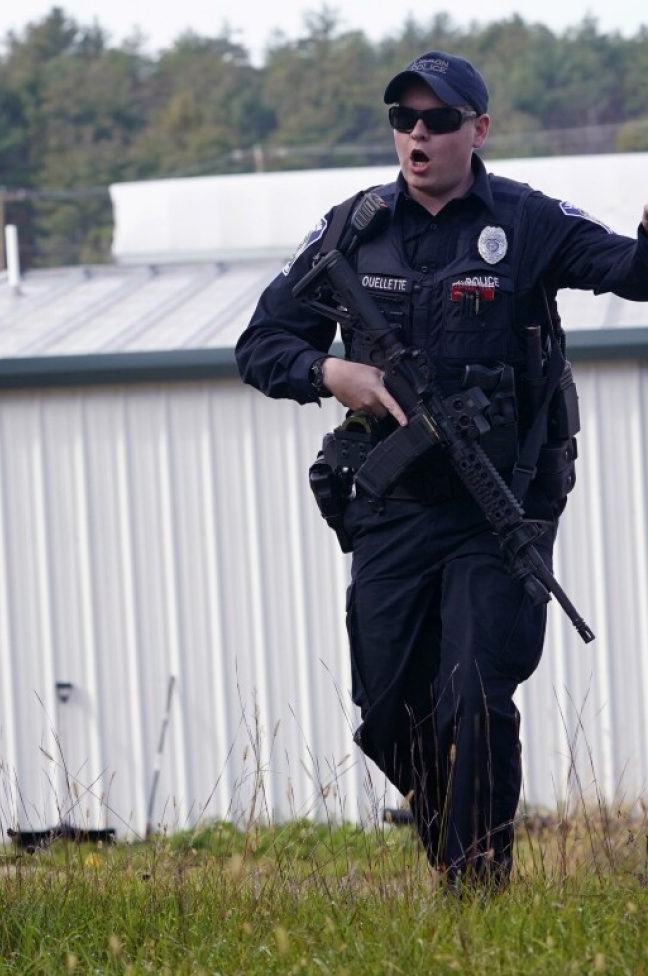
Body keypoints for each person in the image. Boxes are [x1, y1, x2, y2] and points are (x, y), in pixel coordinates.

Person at [236, 50, 648, 891]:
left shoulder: (526, 222)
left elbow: (630, 273)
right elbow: (261, 344)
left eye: (439, 120)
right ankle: (458, 844)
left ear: (478, 129)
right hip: (394, 504)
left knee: (475, 696)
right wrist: (331, 374)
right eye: (404, 120)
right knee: (388, 715)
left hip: (499, 507)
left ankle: (477, 887)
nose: (418, 135)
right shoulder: (353, 228)